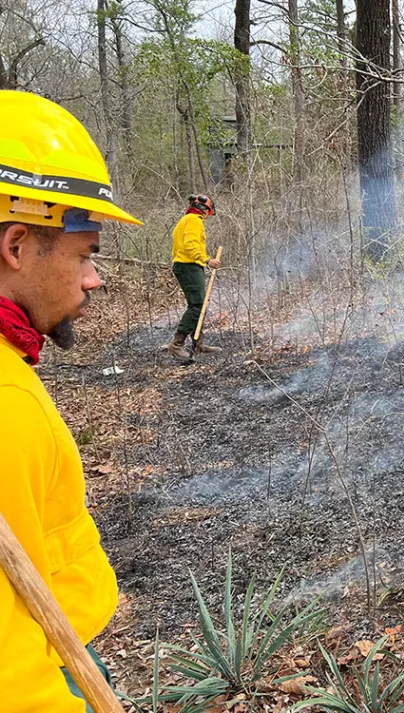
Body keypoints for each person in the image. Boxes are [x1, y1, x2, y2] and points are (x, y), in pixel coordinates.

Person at [0, 90, 141, 711]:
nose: (94, 279)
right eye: (85, 255)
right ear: (18, 245)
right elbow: (9, 668)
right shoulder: (7, 405)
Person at [167, 193, 221, 358]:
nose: (207, 216)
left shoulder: (186, 220)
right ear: (204, 210)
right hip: (188, 266)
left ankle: (198, 343)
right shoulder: (193, 220)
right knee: (197, 305)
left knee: (199, 304)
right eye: (207, 212)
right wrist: (206, 260)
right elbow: (190, 244)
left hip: (189, 265)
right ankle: (177, 344)